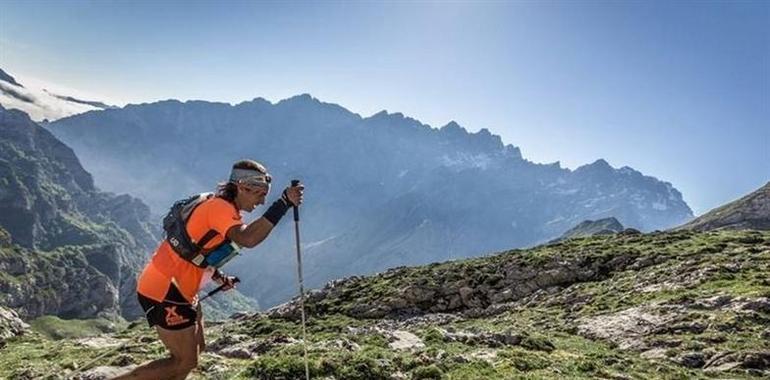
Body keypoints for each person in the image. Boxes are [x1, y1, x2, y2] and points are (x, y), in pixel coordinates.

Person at [114, 159, 304, 380]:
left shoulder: (218, 204)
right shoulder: (219, 209)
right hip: (166, 288)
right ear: (243, 187)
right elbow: (248, 238)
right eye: (260, 194)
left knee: (195, 352)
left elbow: (194, 249)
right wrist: (282, 203)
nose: (262, 201)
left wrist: (218, 276)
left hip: (178, 286)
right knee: (183, 361)